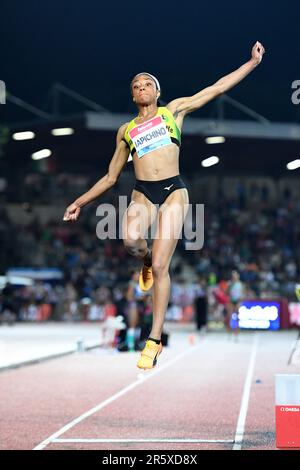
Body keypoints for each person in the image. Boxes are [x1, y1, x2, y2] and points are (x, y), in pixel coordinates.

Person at [63, 41, 265, 369]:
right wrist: (79, 202)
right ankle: (142, 260)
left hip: (174, 190)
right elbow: (111, 177)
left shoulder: (174, 111)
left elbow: (217, 88)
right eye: (136, 85)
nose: (141, 87)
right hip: (143, 191)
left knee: (161, 267)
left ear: (157, 91)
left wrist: (251, 63)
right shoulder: (126, 131)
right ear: (132, 96)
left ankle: (154, 339)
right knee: (130, 240)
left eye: (147, 84)